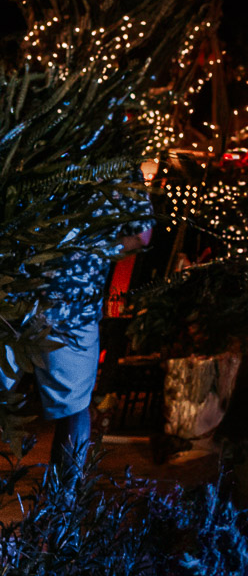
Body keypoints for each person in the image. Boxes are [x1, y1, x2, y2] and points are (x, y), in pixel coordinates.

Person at [0, 172, 154, 482]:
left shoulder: (42, 135)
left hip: (12, 294)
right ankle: (63, 504)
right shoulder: (118, 163)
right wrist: (92, 253)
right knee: (73, 408)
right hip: (73, 302)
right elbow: (141, 235)